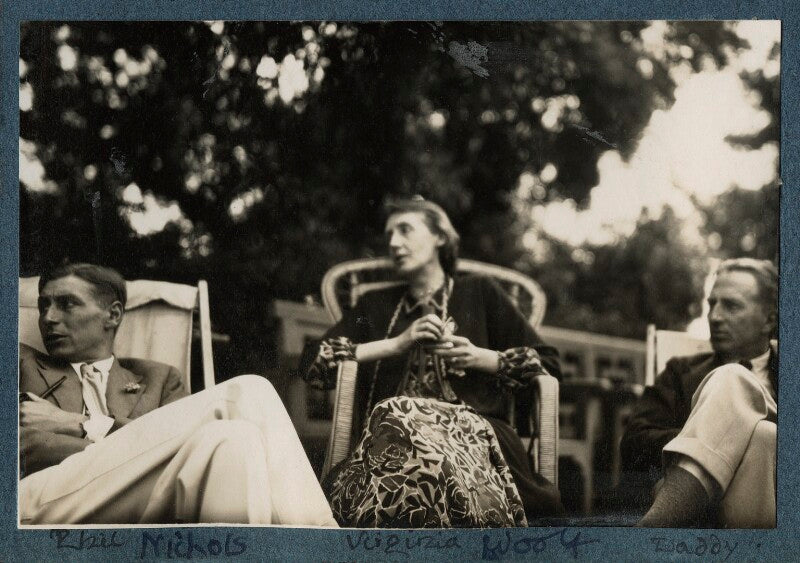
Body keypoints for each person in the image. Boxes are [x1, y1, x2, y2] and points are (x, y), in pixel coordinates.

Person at [300, 196, 565, 527]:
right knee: (397, 414)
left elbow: (549, 364)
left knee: (400, 420)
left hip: (472, 438)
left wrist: (483, 357)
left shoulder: (479, 293)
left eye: (405, 230)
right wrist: (394, 344)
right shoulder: (375, 304)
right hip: (389, 440)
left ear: (440, 236)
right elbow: (313, 361)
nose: (394, 243)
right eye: (390, 234)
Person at [19, 263, 337, 526]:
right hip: (44, 498)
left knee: (234, 439)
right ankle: (321, 537)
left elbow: (174, 452)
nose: (48, 318)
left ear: (113, 315)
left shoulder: (158, 377)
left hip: (146, 500)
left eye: (67, 304)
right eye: (44, 305)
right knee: (247, 392)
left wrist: (84, 426)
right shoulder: (19, 361)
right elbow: (22, 445)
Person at [620, 258, 777, 528]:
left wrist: (726, 434)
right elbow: (634, 443)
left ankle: (649, 533)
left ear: (769, 320)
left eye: (731, 306)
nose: (715, 317)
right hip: (711, 510)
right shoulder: (680, 372)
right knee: (758, 428)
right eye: (712, 304)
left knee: (759, 424)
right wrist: (720, 437)